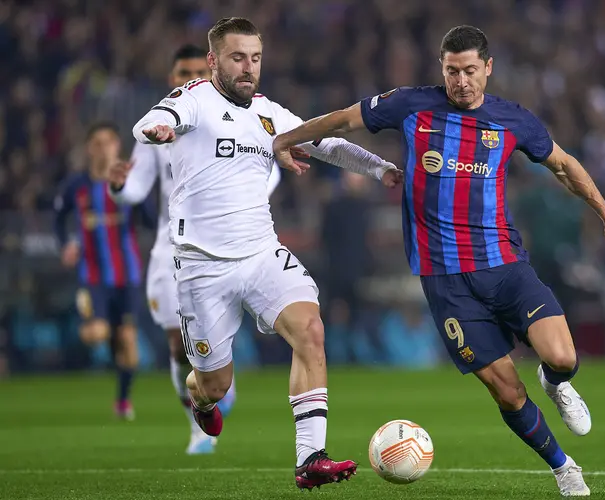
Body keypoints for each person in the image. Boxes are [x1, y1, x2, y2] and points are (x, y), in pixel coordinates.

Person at [271, 25, 605, 497]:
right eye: (451, 71)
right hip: (447, 284)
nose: (460, 81)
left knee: (562, 356)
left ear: (488, 68)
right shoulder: (411, 105)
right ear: (442, 69)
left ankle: (557, 381)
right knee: (506, 390)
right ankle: (565, 468)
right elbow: (341, 120)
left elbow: (562, 164)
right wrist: (286, 139)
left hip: (505, 265)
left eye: (469, 71)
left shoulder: (513, 120)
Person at [130, 17, 402, 490]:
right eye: (237, 58)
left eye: (255, 58)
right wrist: (157, 131)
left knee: (310, 330)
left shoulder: (270, 113)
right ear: (214, 60)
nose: (248, 67)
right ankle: (202, 399)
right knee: (215, 384)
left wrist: (381, 170)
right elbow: (154, 120)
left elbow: (328, 145)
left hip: (260, 254)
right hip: (201, 266)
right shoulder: (193, 99)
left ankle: (310, 458)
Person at [108, 44, 278, 454]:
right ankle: (198, 426)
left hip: (231, 238)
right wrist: (117, 187)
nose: (189, 77)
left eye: (196, 70)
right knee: (174, 343)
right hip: (171, 247)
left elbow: (266, 173)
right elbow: (135, 188)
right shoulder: (161, 126)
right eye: (181, 70)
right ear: (171, 77)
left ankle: (216, 381)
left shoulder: (232, 118)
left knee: (216, 332)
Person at [54, 122, 148, 421]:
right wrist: (65, 244)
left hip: (129, 276)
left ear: (117, 146)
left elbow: (150, 218)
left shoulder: (131, 182)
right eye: (97, 142)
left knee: (130, 347)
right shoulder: (76, 185)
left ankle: (122, 401)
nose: (103, 147)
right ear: (88, 148)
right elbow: (58, 218)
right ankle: (106, 337)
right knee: (98, 333)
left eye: (109, 141)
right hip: (93, 276)